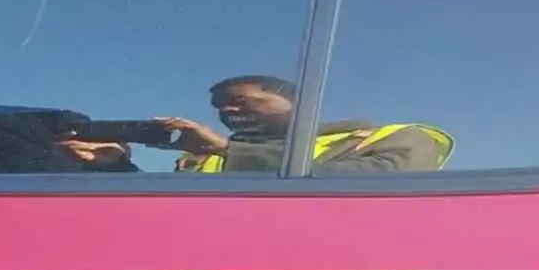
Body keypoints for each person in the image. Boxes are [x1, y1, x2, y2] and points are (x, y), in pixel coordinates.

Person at [164, 74, 453, 173]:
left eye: (240, 101)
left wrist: (229, 151)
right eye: (220, 107)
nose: (227, 111)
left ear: (298, 101)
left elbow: (369, 187)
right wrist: (119, 165)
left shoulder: (396, 137)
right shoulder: (204, 159)